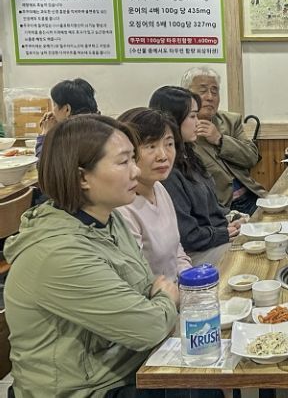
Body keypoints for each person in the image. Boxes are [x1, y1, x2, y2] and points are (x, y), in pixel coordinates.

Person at [3, 115, 180, 396]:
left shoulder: (107, 218)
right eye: (123, 162)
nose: (136, 171)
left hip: (129, 366)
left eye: (133, 159)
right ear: (82, 177)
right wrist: (166, 299)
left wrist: (157, 301)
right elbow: (149, 326)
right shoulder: (58, 253)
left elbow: (146, 288)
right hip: (85, 389)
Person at [149, 86, 242, 267]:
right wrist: (223, 233)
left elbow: (211, 207)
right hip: (194, 253)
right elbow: (187, 236)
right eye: (193, 116)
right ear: (174, 119)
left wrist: (232, 219)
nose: (198, 122)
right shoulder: (166, 171)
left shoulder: (188, 154)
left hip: (215, 237)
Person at [116, 107, 192, 281]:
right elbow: (137, 278)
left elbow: (176, 250)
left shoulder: (158, 187)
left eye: (169, 144)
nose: (163, 156)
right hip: (154, 295)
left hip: (180, 287)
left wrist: (190, 278)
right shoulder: (122, 208)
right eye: (151, 146)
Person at [181, 67, 267, 214]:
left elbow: (251, 158)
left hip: (252, 195)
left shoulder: (230, 121)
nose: (210, 97)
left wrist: (220, 140)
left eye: (215, 91)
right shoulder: (182, 132)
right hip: (221, 208)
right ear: (186, 95)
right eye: (203, 91)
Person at [36, 78, 100, 158]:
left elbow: (45, 162)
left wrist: (45, 134)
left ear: (67, 109)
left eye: (54, 105)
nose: (52, 111)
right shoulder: (95, 126)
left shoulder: (75, 135)